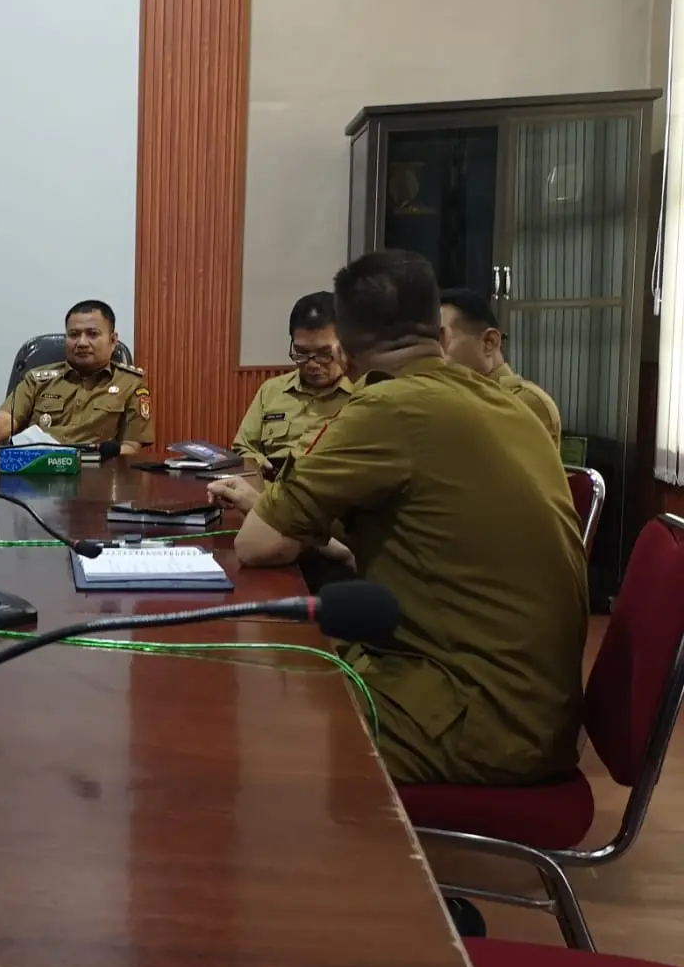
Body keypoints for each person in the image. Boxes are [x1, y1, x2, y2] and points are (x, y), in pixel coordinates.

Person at [206, 250, 587, 787]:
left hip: (476, 721)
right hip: (532, 709)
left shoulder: (386, 409)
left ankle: (353, 867)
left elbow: (258, 546)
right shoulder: (508, 406)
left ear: (347, 350)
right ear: (442, 334)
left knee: (242, 726)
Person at [0, 300, 152, 455]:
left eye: (92, 334)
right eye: (73, 334)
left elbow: (131, 447)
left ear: (113, 340)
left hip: (99, 479)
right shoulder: (38, 379)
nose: (81, 342)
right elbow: (6, 419)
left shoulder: (131, 384)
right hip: (38, 476)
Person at [232, 290, 353, 472]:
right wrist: (256, 462)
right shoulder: (272, 390)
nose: (312, 364)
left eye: (323, 354)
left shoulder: (365, 393)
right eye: (302, 353)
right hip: (267, 491)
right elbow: (243, 448)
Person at [439, 288, 562, 445]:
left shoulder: (526, 403)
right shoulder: (445, 394)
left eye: (443, 339)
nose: (433, 350)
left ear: (489, 342)